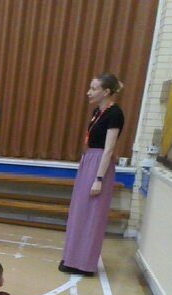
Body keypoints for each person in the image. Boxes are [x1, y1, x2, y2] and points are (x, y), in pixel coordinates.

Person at [59, 74, 125, 276]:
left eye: (93, 88)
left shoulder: (115, 114)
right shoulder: (98, 111)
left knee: (92, 215)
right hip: (89, 161)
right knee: (80, 212)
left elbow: (108, 149)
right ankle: (72, 258)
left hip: (99, 165)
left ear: (106, 92)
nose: (89, 92)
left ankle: (84, 263)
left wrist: (99, 179)